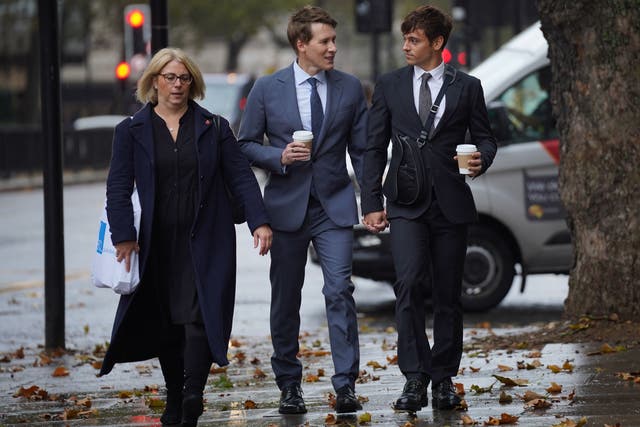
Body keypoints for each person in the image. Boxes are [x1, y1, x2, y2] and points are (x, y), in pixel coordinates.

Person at [99, 47, 273, 426]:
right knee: (169, 323)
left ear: (192, 83)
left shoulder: (214, 127)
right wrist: (124, 236)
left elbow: (240, 177)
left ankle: (193, 393)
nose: (177, 85)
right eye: (170, 78)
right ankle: (175, 397)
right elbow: (117, 188)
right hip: (156, 242)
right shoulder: (131, 130)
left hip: (207, 238)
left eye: (184, 78)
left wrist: (258, 221)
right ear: (154, 82)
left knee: (199, 316)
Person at [360, 5, 497, 412]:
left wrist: (481, 161)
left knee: (448, 295)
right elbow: (373, 147)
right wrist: (371, 202)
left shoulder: (467, 86)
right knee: (407, 285)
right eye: (405, 39)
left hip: (451, 204)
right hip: (404, 202)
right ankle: (415, 378)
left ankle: (443, 379)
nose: (405, 46)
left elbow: (486, 139)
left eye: (414, 40)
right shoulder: (390, 85)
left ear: (437, 43)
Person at [237, 6, 368, 415]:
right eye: (324, 41)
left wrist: (375, 203)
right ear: (301, 44)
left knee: (339, 290)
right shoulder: (266, 88)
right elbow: (243, 145)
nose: (333, 48)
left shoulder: (349, 87)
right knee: (286, 298)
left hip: (334, 205)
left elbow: (362, 151)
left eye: (333, 40)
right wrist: (280, 156)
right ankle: (289, 385)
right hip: (286, 207)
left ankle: (346, 384)